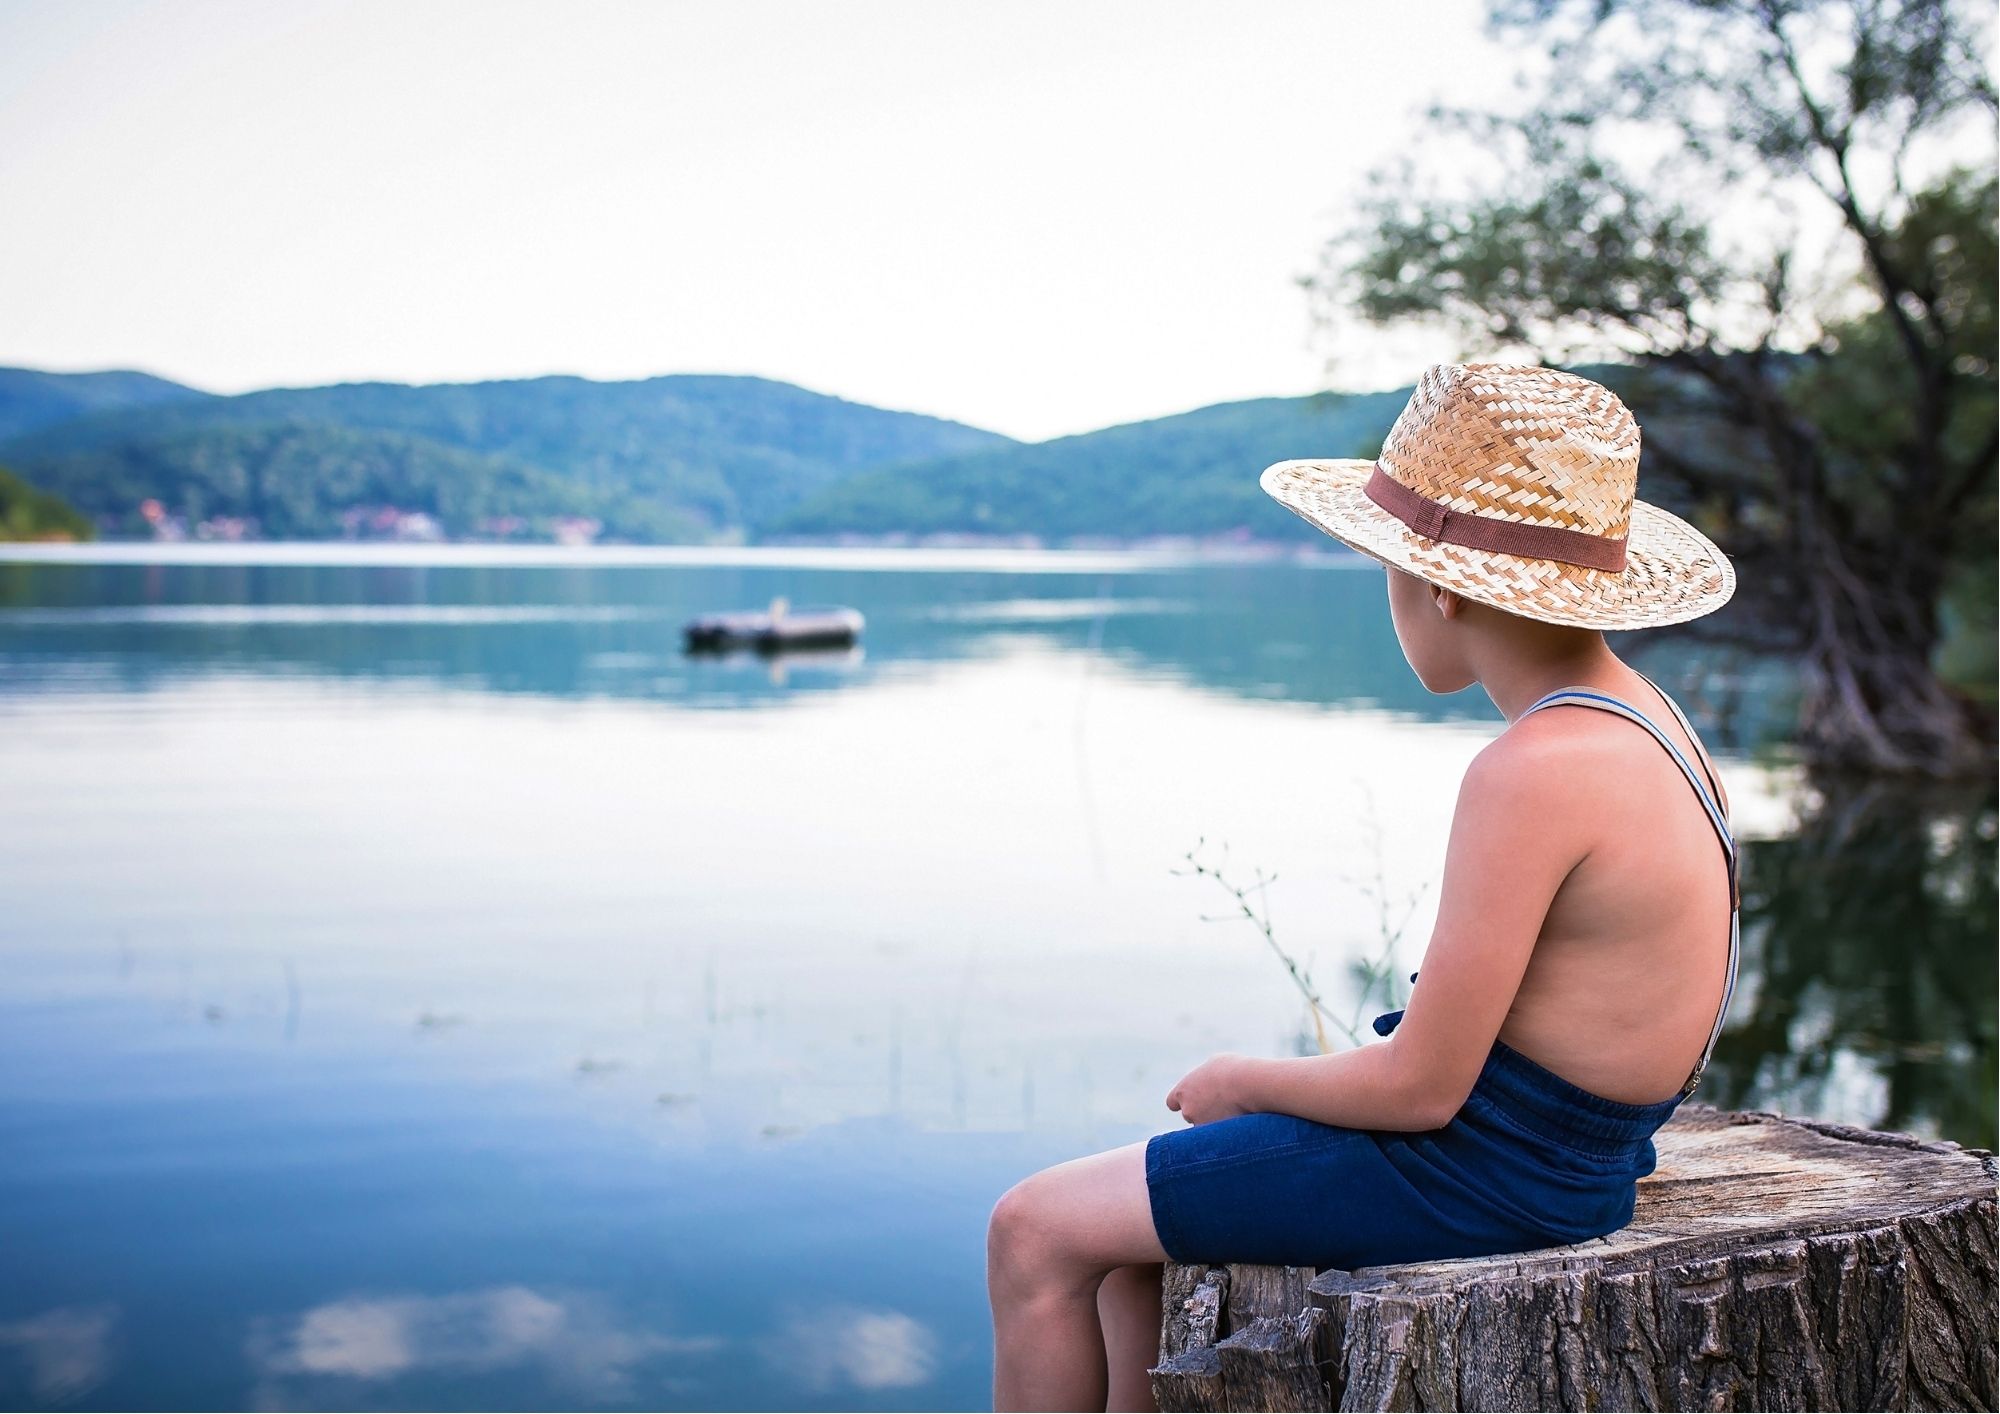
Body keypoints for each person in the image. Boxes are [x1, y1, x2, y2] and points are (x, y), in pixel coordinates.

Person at [985, 362, 1741, 1412]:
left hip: (1488, 1172)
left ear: (1432, 584)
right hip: (1578, 1156)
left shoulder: (1533, 770)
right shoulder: (1648, 722)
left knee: (1030, 1228)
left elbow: (1421, 1089)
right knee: (1115, 1253)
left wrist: (1246, 1078)